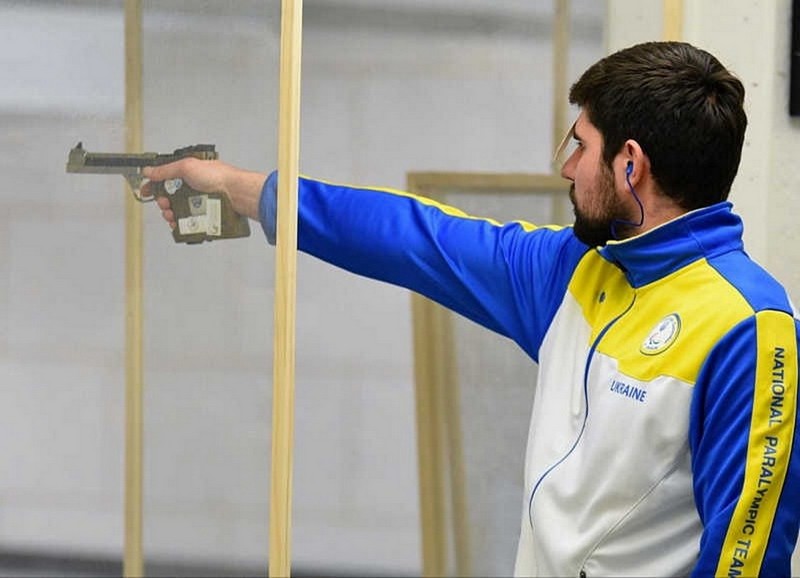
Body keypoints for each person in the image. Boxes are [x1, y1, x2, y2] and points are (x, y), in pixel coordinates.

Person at [142, 41, 800, 577]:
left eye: (581, 145)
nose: (568, 168)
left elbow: (746, 561)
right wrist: (240, 189)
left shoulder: (747, 326)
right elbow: (412, 237)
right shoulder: (577, 271)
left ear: (631, 164)